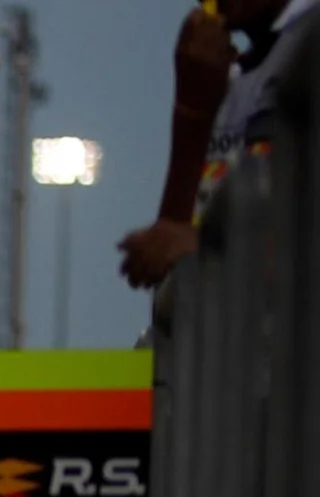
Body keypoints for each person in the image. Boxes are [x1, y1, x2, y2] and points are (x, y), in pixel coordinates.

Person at [120, 0, 315, 287]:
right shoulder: (227, 77)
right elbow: (167, 260)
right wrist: (191, 114)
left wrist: (210, 249)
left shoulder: (309, 47)